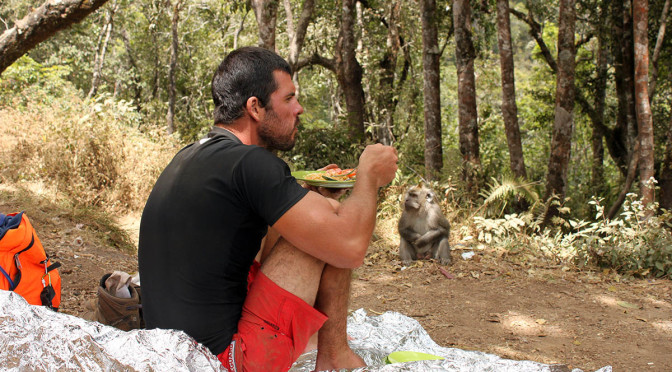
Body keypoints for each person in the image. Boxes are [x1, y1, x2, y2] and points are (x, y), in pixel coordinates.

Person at [138, 46, 398, 372]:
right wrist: (368, 176)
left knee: (314, 212)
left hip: (174, 357)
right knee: (330, 226)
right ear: (255, 108)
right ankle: (334, 356)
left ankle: (326, 349)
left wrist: (311, 196)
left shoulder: (192, 156)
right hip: (227, 362)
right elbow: (350, 247)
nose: (299, 108)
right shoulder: (252, 162)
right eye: (288, 99)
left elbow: (247, 227)